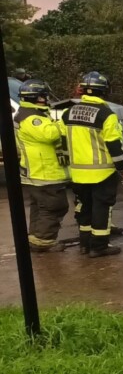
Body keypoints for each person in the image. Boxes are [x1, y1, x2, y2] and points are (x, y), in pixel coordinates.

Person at [60, 71, 123, 258]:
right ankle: (99, 246)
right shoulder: (107, 114)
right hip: (102, 172)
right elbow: (114, 145)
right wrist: (122, 168)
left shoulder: (68, 113)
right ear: (104, 91)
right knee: (101, 208)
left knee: (84, 206)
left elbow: (64, 141)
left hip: (77, 172)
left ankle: (84, 243)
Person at [14, 79, 71, 253]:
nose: (46, 99)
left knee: (41, 207)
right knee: (55, 205)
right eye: (43, 96)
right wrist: (63, 121)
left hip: (38, 172)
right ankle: (45, 241)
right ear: (36, 97)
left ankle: (36, 237)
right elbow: (50, 134)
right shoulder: (32, 118)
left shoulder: (29, 113)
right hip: (44, 173)